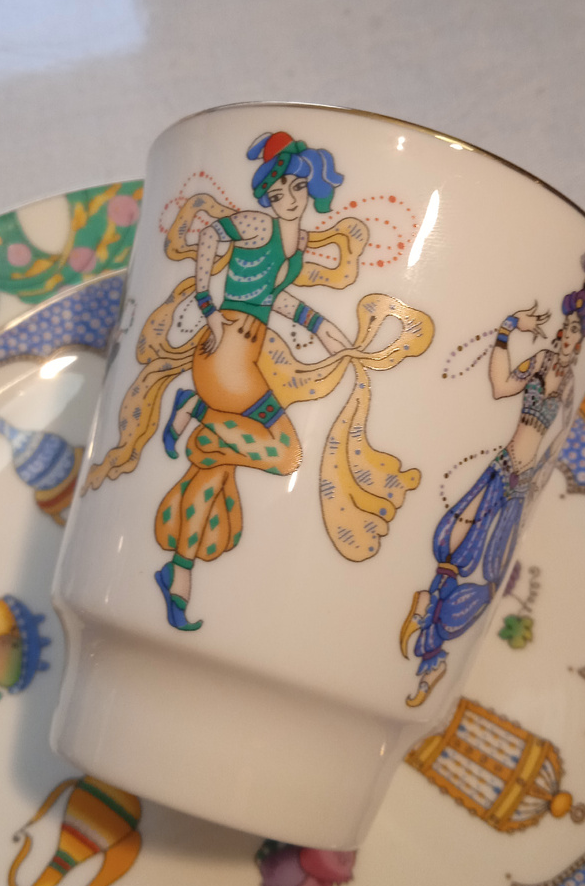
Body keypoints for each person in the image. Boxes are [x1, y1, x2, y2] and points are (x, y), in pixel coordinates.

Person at [85, 132, 434, 633]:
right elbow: (210, 235)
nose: (286, 198)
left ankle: (178, 575)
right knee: (284, 452)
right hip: (227, 355)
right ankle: (194, 409)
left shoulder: (296, 242)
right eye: (276, 191)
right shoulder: (257, 225)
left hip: (243, 352)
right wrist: (207, 306)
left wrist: (329, 333)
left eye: (296, 188)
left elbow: (275, 299)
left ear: (311, 189)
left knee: (214, 466)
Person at [401, 251, 585, 706]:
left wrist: (536, 479)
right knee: (455, 545)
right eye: (565, 328)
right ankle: (427, 631)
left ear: (582, 342)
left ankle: (432, 651)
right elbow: (501, 387)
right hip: (502, 469)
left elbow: (559, 435)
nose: (565, 336)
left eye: (574, 332)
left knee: (489, 571)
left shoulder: (569, 383)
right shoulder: (539, 363)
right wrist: (506, 332)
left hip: (522, 483)